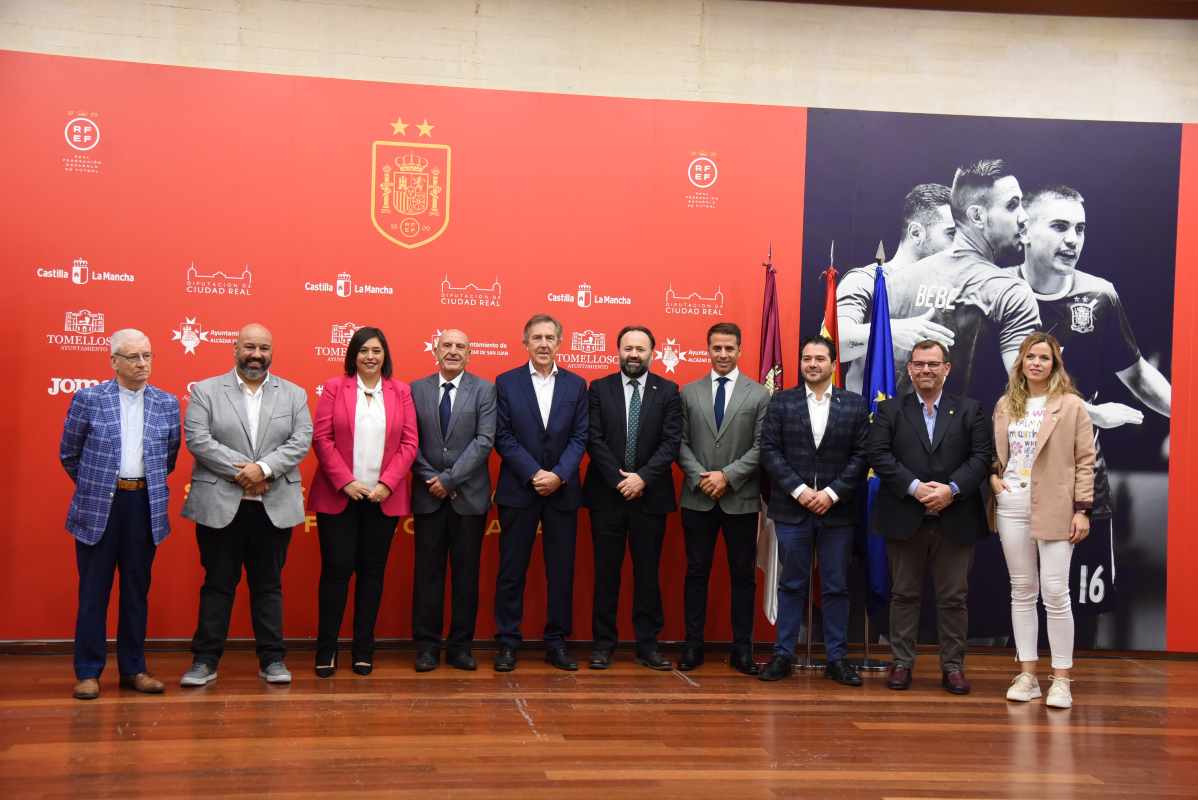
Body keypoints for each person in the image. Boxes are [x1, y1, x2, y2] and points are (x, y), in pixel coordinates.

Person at [1008, 185, 1172, 626]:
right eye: (1059, 226)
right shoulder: (996, 291)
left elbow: (1136, 374)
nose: (1072, 239)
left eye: (1080, 228)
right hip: (1010, 473)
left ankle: (1068, 684)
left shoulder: (1101, 296)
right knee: (1008, 602)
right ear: (1024, 229)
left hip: (1080, 476)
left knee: (1078, 608)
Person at [179, 323, 313, 687]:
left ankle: (272, 661)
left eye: (264, 348)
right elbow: (198, 440)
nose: (257, 354)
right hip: (221, 505)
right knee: (218, 585)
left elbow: (301, 440)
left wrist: (265, 468)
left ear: (272, 351)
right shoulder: (206, 391)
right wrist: (247, 472)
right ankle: (204, 661)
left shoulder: (294, 394)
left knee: (269, 586)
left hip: (273, 506)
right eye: (249, 347)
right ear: (235, 348)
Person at [865, 340, 992, 694]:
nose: (926, 370)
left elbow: (981, 457)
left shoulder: (970, 410)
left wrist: (949, 490)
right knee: (903, 595)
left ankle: (953, 667)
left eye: (933, 364)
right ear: (909, 369)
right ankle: (901, 663)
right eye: (919, 364)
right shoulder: (890, 410)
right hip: (905, 515)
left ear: (947, 369)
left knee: (954, 599)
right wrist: (916, 488)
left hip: (956, 517)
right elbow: (877, 454)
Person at [59, 329, 180, 700]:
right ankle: (88, 671)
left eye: (147, 355)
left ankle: (134, 669)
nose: (142, 364)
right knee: (93, 592)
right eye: (133, 357)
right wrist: (98, 487)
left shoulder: (167, 403)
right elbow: (69, 453)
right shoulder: (89, 399)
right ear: (113, 361)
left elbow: (169, 458)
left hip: (143, 505)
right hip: (99, 507)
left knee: (135, 591)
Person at [758, 335, 870, 684]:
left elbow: (862, 455)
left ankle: (837, 659)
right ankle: (783, 655)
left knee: (835, 586)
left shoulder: (854, 404)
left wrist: (832, 493)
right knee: (791, 584)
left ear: (834, 364)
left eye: (820, 358)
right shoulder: (781, 402)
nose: (812, 364)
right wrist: (802, 491)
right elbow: (769, 451)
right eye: (806, 358)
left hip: (837, 513)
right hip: (793, 509)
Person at [991, 332, 1095, 709]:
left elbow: (1086, 460)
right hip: (1012, 503)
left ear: (1055, 365)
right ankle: (1028, 674)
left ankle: (1062, 678)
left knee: (1055, 592)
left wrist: (1082, 509)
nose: (1036, 363)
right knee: (1022, 590)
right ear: (1020, 362)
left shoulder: (1071, 406)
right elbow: (995, 453)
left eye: (1044, 358)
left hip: (1055, 505)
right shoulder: (1006, 405)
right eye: (1030, 356)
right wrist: (994, 480)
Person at [309, 326, 418, 677]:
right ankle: (326, 649)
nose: (370, 356)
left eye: (377, 350)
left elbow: (410, 444)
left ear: (385, 355)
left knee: (372, 575)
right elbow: (322, 439)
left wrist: (387, 484)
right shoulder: (334, 388)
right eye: (363, 350)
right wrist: (347, 482)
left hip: (382, 499)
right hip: (339, 497)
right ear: (353, 355)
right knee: (335, 572)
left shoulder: (400, 391)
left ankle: (363, 649)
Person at [883, 160, 1041, 394]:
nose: (1024, 217)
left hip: (897, 428)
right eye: (1012, 205)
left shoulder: (895, 282)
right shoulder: (1010, 292)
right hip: (972, 430)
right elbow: (1029, 389)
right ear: (977, 216)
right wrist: (1092, 413)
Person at [492, 314, 588, 672]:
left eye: (550, 337)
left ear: (560, 343)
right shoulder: (506, 382)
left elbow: (581, 437)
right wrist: (535, 473)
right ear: (525, 343)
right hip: (520, 488)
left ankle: (557, 641)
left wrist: (559, 475)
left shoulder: (577, 386)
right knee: (511, 570)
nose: (544, 344)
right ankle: (506, 641)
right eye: (537, 338)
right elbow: (503, 436)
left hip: (562, 492)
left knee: (561, 570)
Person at [584, 325, 682, 670]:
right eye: (628, 348)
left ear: (652, 353)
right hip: (606, 496)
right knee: (606, 573)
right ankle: (602, 645)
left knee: (647, 574)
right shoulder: (598, 389)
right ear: (618, 351)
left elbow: (671, 443)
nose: (634, 355)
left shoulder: (669, 391)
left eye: (641, 349)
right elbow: (593, 439)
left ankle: (648, 645)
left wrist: (641, 478)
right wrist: (618, 479)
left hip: (650, 496)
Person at [676, 322, 770, 674]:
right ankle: (692, 645)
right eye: (717, 348)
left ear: (740, 350)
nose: (723, 354)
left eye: (730, 348)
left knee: (742, 576)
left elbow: (762, 447)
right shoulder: (688, 393)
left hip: (740, 499)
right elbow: (679, 443)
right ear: (707, 349)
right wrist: (702, 477)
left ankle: (742, 649)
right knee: (696, 573)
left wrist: (727, 476)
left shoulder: (759, 394)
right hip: (697, 498)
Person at [410, 329, 496, 672]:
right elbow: (408, 440)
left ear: (470, 353)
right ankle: (427, 647)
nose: (453, 351)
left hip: (468, 498)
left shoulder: (485, 390)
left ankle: (461, 647)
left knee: (466, 577)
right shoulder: (415, 389)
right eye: (447, 345)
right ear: (435, 349)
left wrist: (448, 480)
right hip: (427, 495)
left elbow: (484, 441)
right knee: (427, 576)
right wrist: (432, 478)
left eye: (461, 346)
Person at [837, 183, 957, 393]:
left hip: (925, 422)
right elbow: (833, 344)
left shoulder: (951, 291)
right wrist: (891, 330)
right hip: (870, 420)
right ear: (916, 233)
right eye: (951, 233)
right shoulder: (865, 281)